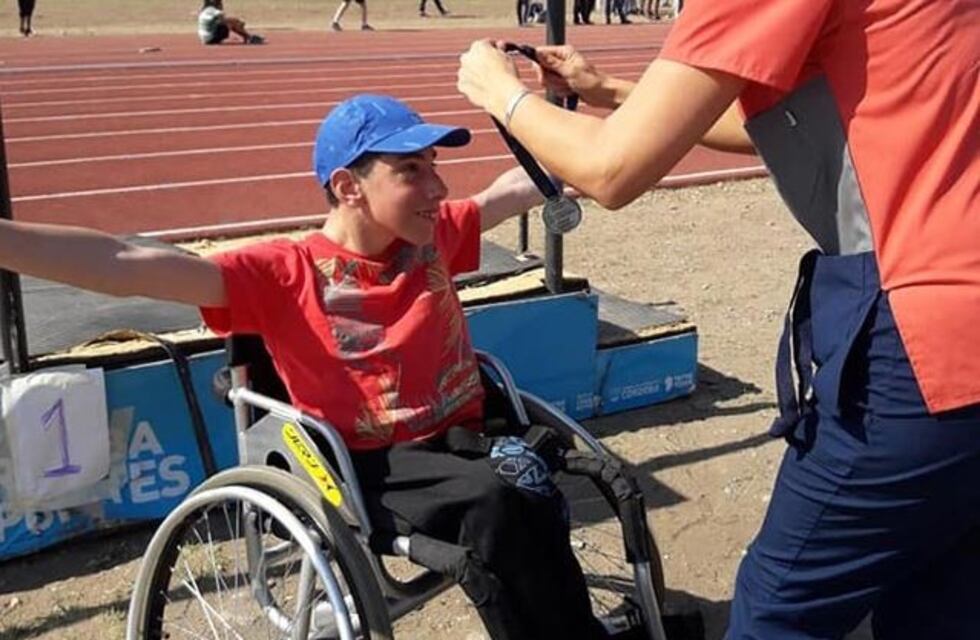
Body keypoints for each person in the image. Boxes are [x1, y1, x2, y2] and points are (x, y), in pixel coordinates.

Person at [0, 93, 624, 640]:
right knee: (502, 504)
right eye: (412, 170)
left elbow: (513, 189)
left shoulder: (430, 236)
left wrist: (609, 124)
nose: (437, 189)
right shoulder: (282, 272)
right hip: (373, 468)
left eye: (434, 168)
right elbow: (124, 256)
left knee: (548, 479)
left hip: (470, 438)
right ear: (349, 186)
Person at [457, 0, 980, 636]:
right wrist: (611, 90)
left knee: (779, 608)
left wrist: (501, 92)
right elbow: (789, 114)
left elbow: (611, 170)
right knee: (937, 585)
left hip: (927, 334)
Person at [197, 0, 264, 45]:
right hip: (210, 38)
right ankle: (249, 37)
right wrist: (238, 22)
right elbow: (226, 20)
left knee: (229, 23)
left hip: (205, 38)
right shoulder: (212, 10)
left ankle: (248, 37)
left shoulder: (206, 10)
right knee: (230, 23)